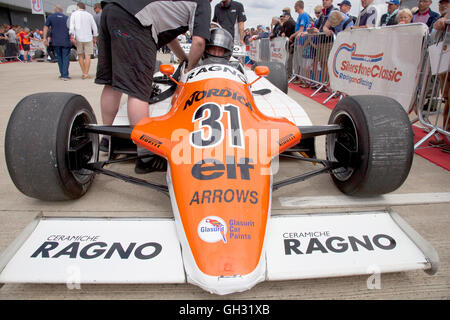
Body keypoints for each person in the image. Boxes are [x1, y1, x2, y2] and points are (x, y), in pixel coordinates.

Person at [95, 0, 211, 173]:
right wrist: (189, 68)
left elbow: (169, 37)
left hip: (110, 10)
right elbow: (199, 42)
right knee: (138, 90)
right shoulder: (202, 3)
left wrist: (182, 57)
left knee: (112, 83)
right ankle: (145, 155)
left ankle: (107, 139)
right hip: (135, 20)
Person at [430, 0, 450, 153]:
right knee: (447, 101)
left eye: (446, 2)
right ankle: (446, 135)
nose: (442, 5)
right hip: (445, 64)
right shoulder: (442, 17)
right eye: (441, 2)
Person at [69, 2, 98, 79]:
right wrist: (95, 37)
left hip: (78, 37)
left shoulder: (74, 14)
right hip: (88, 37)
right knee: (88, 55)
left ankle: (83, 72)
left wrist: (72, 36)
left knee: (80, 55)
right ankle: (86, 73)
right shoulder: (89, 15)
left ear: (77, 7)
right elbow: (94, 27)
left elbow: (71, 27)